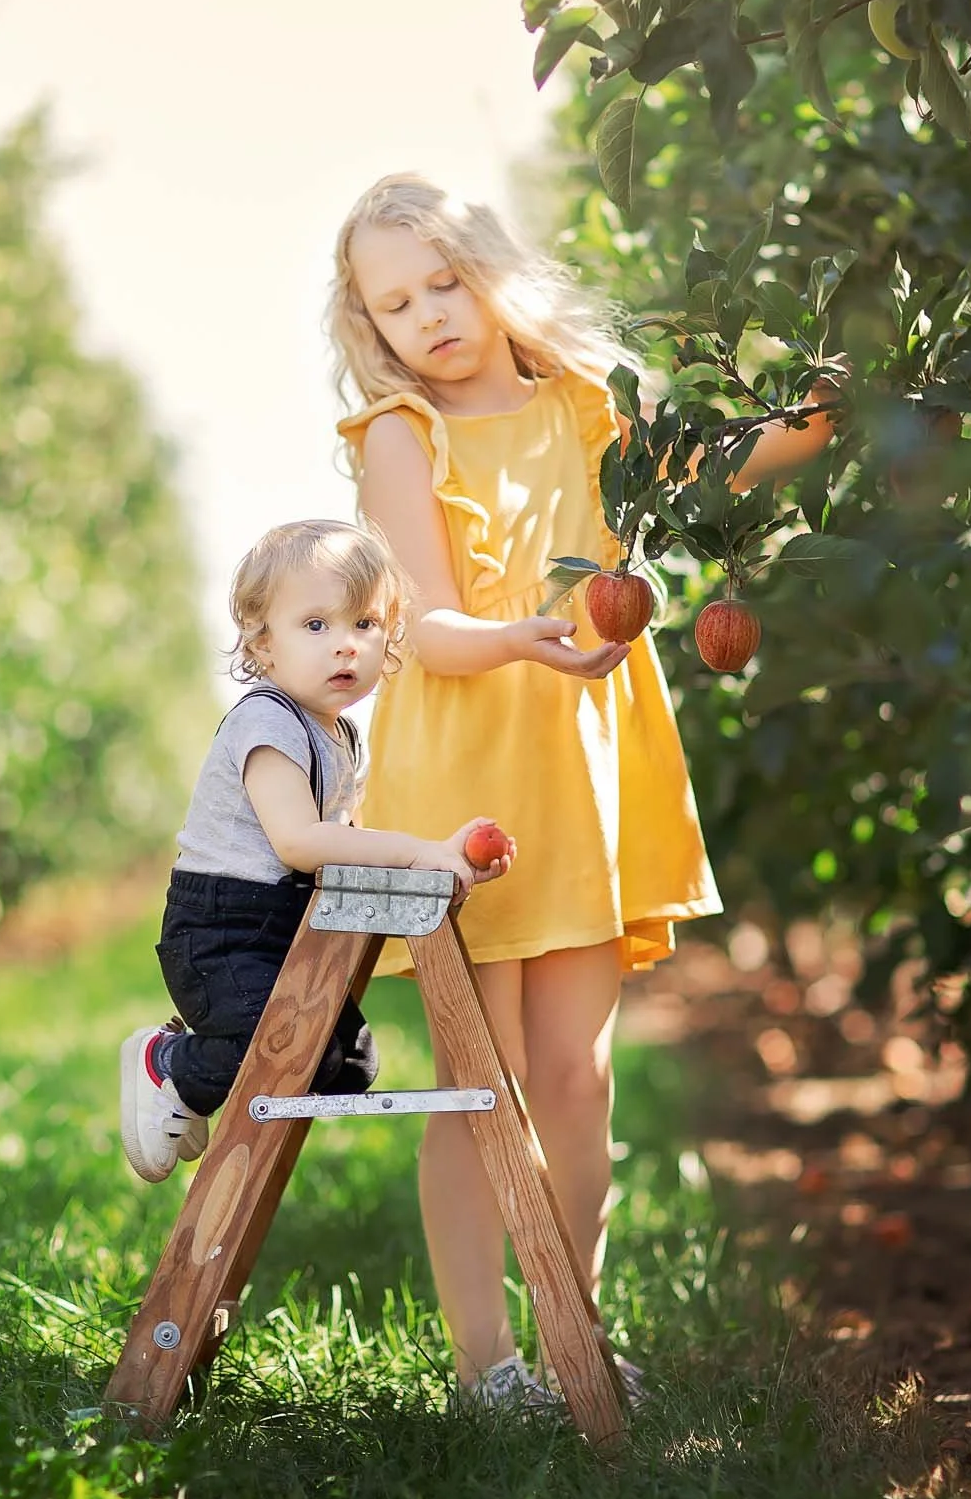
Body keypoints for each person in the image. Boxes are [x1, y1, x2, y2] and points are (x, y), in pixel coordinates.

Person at [327, 172, 834, 1409]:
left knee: (574, 1076)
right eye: (397, 303)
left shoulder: (584, 405)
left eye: (444, 281)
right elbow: (425, 628)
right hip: (465, 772)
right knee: (476, 1080)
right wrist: (526, 639)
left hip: (580, 763)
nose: (430, 316)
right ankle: (486, 1364)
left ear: (489, 270)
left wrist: (834, 401)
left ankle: (574, 1333)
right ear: (372, 327)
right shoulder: (403, 433)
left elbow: (724, 464)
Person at [120, 518, 512, 1185]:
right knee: (270, 1043)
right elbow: (301, 843)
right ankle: (173, 1065)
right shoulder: (267, 722)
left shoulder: (342, 736)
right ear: (262, 644)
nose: (345, 647)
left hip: (283, 928)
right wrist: (417, 853)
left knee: (348, 1063)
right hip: (221, 930)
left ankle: (198, 1073)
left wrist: (442, 853)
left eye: (364, 623)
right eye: (316, 626)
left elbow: (349, 848)